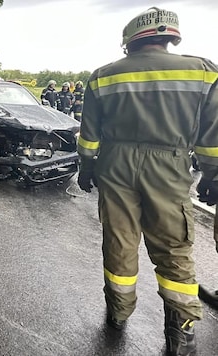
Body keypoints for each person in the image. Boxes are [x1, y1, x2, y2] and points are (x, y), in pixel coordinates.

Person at [77, 7, 218, 356]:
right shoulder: (203, 72)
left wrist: (86, 168)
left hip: (115, 165)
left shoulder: (102, 76)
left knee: (120, 242)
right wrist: (213, 175)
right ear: (171, 36)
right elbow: (211, 137)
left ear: (129, 42)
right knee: (173, 248)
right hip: (169, 167)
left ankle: (118, 312)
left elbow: (89, 136)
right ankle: (180, 332)